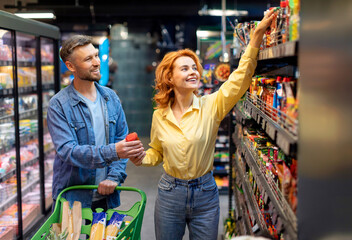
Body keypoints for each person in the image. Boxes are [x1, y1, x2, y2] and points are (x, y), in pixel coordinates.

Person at [129, 9, 278, 240]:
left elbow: (240, 78)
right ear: (169, 77)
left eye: (194, 68)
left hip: (206, 193)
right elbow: (157, 152)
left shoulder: (211, 105)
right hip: (170, 193)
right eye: (185, 68)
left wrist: (256, 37)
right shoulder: (160, 115)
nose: (193, 72)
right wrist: (142, 158)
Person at [47, 35, 144, 210]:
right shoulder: (59, 104)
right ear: (71, 66)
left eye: (96, 55)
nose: (97, 62)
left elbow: (121, 139)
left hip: (105, 196)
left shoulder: (111, 97)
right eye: (88, 59)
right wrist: (114, 151)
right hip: (71, 198)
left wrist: (114, 177)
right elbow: (68, 151)